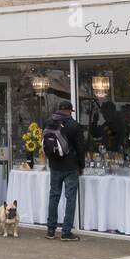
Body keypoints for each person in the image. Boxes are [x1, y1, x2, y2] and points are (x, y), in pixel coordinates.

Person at [43, 100, 85, 242]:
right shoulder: (74, 125)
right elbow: (80, 148)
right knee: (70, 198)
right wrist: (82, 166)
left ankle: (50, 230)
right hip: (71, 167)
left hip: (54, 165)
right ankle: (66, 232)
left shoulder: (49, 122)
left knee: (54, 196)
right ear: (69, 111)